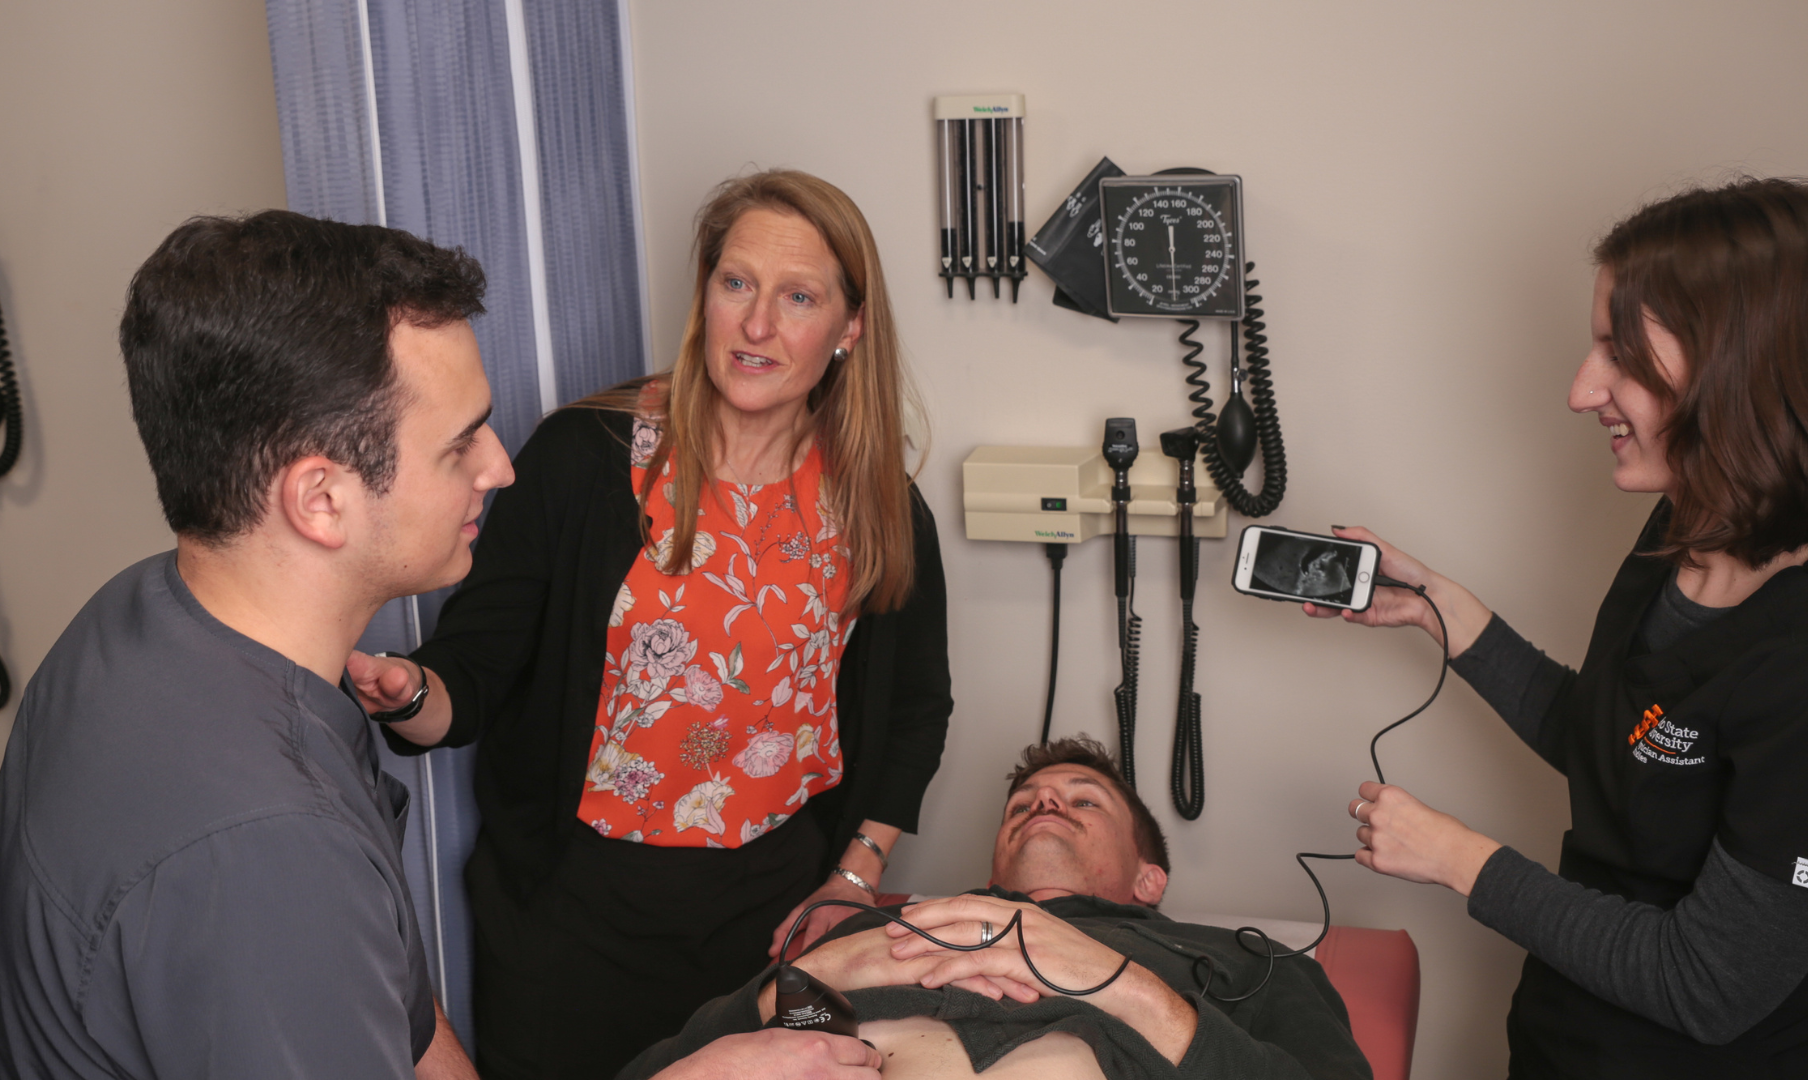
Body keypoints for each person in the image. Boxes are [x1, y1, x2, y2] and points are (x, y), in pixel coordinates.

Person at [349, 169, 953, 1079]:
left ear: (849, 328)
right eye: (736, 283)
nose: (757, 325)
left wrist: (856, 876)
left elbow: (915, 711)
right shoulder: (578, 459)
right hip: (575, 919)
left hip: (775, 919)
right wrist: (408, 695)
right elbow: (471, 673)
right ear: (704, 291)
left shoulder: (877, 506)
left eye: (798, 297)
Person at [1312, 178, 1808, 1077]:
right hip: (1562, 1041)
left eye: (1622, 355)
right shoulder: (1687, 526)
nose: (1580, 390)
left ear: (1748, 365)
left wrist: (1461, 861)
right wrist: (1441, 612)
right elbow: (1626, 752)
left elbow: (1708, 984)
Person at [0, 211, 508, 1077]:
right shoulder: (270, 852)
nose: (498, 466)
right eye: (460, 444)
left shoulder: (137, 609)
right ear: (320, 500)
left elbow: (398, 1016)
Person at [623, 737, 1373, 1080]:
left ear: (1151, 880)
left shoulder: (1243, 964)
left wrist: (1120, 982)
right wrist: (818, 969)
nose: (1046, 800)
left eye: (1085, 800)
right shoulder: (880, 936)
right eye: (1024, 804)